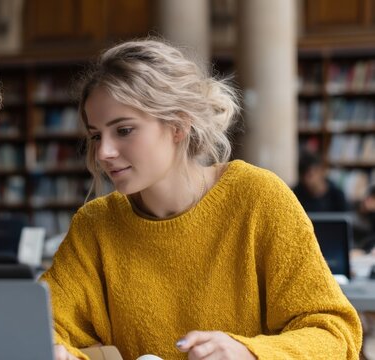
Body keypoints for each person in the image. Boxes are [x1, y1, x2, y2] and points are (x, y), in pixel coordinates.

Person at [40, 38, 362, 360]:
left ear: (178, 125)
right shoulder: (94, 224)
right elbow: (44, 323)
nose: (104, 153)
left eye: (123, 130)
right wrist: (57, 351)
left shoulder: (258, 197)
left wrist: (250, 353)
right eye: (96, 135)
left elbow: (334, 332)